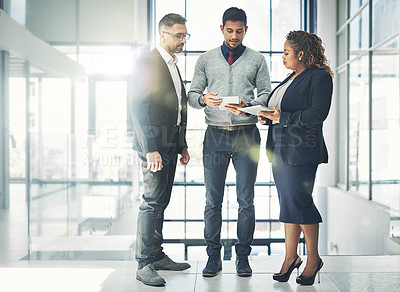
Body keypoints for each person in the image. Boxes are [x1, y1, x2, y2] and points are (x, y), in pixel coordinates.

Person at [188, 7, 271, 277]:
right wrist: (203, 100)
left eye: (239, 30)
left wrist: (251, 106)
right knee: (213, 200)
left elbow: (267, 95)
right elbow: (192, 94)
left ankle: (243, 258)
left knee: (246, 200)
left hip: (247, 135)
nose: (234, 35)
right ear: (221, 28)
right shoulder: (206, 59)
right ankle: (213, 257)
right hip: (215, 135)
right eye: (229, 30)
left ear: (246, 29)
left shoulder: (257, 59)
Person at [257, 30, 333, 286]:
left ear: (301, 53)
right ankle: (291, 257)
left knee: (300, 203)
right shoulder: (292, 77)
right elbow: (280, 111)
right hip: (279, 150)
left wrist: (282, 118)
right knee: (288, 204)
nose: (283, 57)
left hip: (301, 151)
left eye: (286, 52)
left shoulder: (319, 78)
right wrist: (264, 115)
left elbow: (317, 114)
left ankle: (313, 259)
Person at [130, 13, 191, 287]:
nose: (183, 40)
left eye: (185, 35)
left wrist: (182, 145)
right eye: (178, 35)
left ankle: (156, 254)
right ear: (162, 35)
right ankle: (144, 264)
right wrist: (151, 149)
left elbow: (176, 107)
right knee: (152, 202)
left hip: (169, 144)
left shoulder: (172, 64)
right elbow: (138, 108)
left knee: (162, 201)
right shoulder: (147, 62)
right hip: (153, 146)